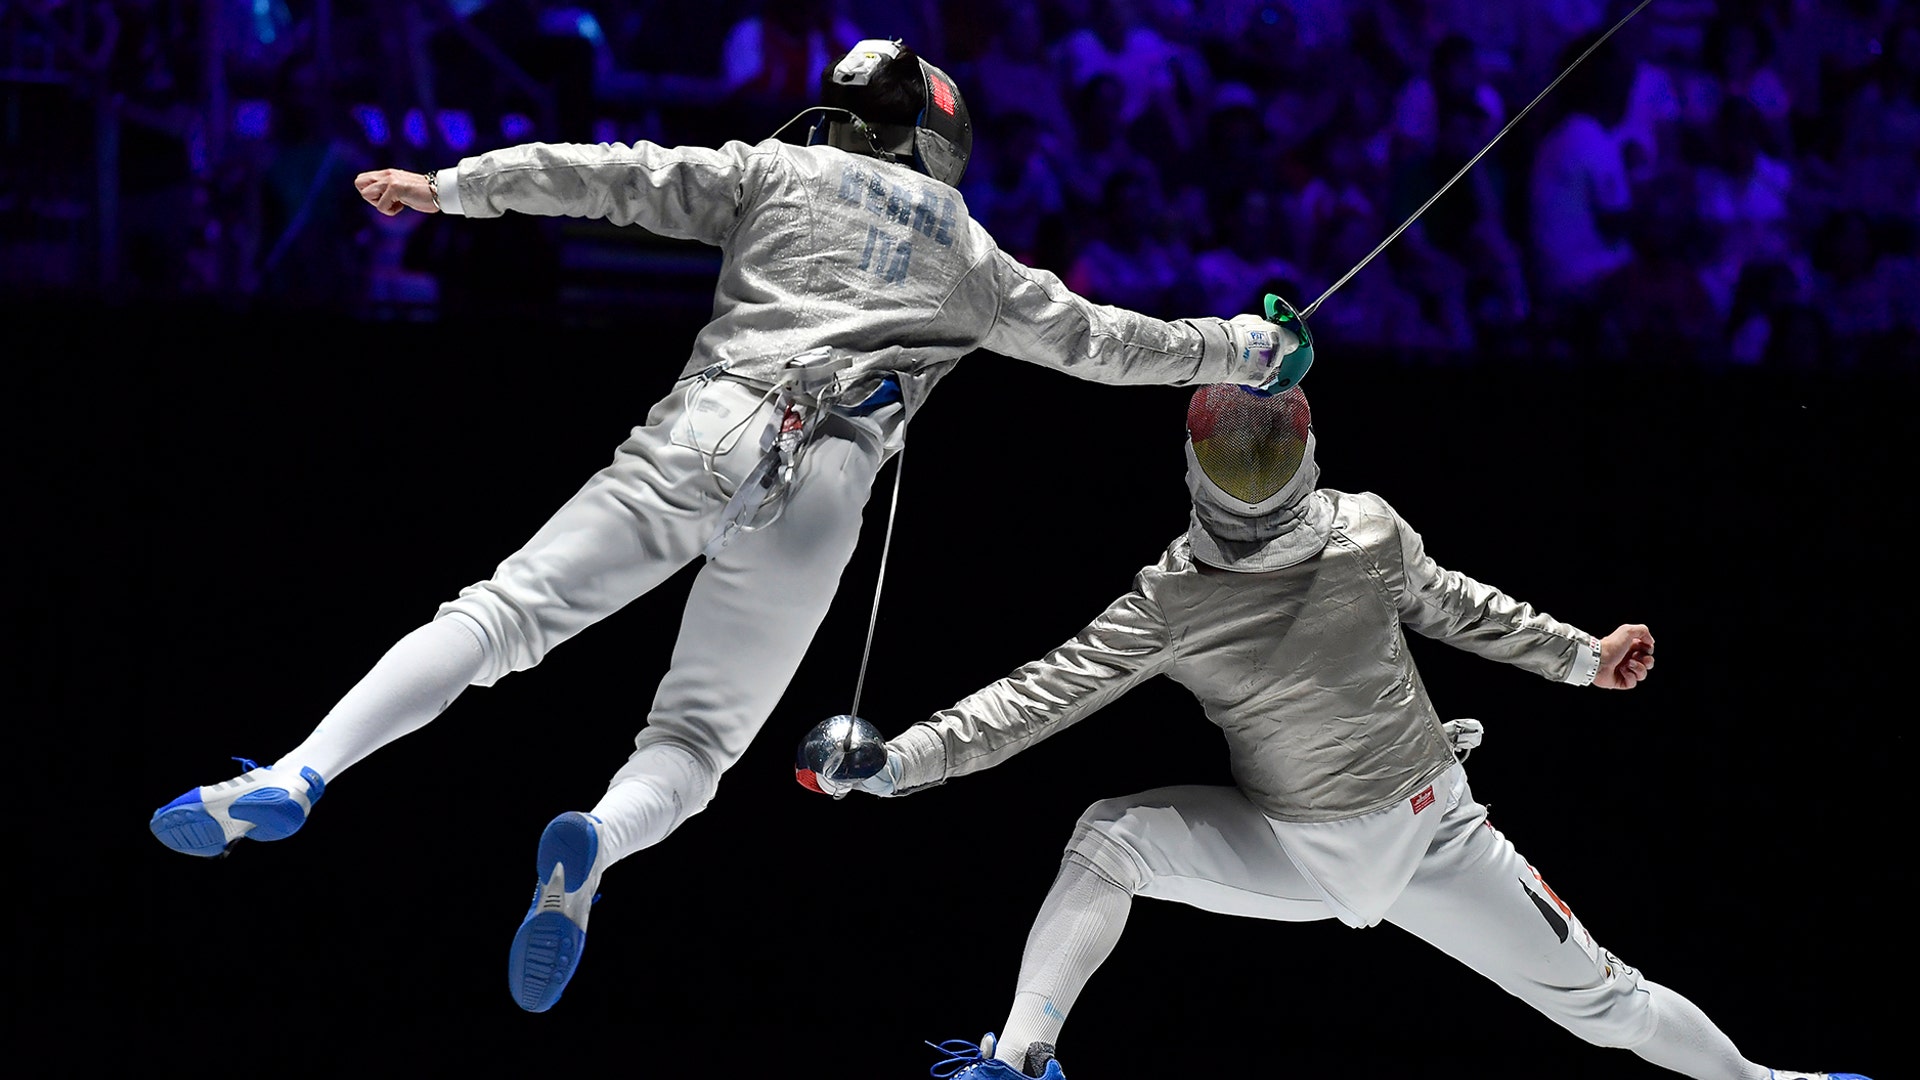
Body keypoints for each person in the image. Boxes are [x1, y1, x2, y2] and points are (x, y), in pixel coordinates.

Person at [146, 40, 1304, 1015]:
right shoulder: (972, 256)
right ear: (941, 146)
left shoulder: (773, 170)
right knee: (696, 744)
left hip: (707, 429)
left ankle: (301, 774)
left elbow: (608, 172)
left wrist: (452, 185)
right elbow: (1114, 346)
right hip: (826, 485)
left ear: (842, 120)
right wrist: (1252, 350)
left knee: (500, 619)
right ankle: (594, 845)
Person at [808, 384, 1872, 1080]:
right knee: (1613, 1002)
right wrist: (1582, 656)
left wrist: (898, 763)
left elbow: (1032, 697)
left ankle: (1024, 1050)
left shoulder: (1170, 599)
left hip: (1315, 851)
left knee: (1110, 838)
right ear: (1307, 453)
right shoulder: (1364, 529)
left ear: (1193, 464)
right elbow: (1463, 606)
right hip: (1429, 830)